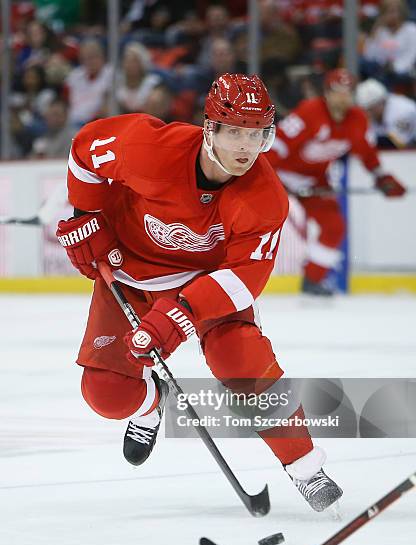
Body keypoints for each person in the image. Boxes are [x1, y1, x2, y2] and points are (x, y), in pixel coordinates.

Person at [56, 73, 342, 513]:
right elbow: (85, 149)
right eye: (235, 133)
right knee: (106, 395)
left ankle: (306, 467)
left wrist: (180, 313)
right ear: (211, 129)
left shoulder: (265, 198)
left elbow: (245, 278)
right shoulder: (150, 149)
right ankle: (152, 404)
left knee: (240, 360)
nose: (246, 148)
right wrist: (84, 215)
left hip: (206, 282)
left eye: (257, 135)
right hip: (130, 274)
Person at [266, 68, 406, 296]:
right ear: (327, 93)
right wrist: (270, 181)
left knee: (334, 226)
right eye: (337, 91)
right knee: (256, 224)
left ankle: (313, 280)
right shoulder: (309, 112)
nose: (342, 97)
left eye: (347, 92)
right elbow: (277, 147)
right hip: (278, 176)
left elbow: (367, 153)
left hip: (315, 182)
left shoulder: (358, 119)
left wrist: (382, 177)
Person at [356, 78, 416, 148]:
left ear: (381, 101)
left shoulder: (404, 110)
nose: (368, 113)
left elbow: (399, 144)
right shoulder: (375, 114)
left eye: (370, 109)